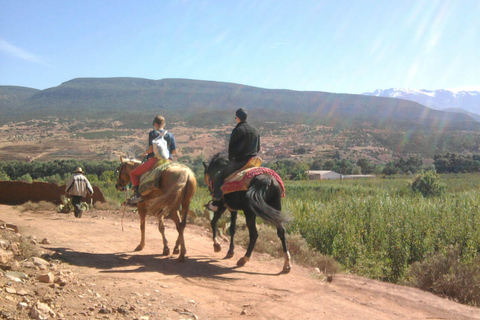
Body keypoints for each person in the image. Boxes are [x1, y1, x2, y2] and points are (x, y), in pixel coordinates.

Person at [205, 108, 260, 211]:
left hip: (240, 162)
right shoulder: (255, 130)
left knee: (218, 177)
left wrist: (231, 161)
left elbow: (232, 149)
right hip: (253, 162)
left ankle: (216, 203)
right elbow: (258, 148)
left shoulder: (237, 130)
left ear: (237, 118)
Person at [129, 115, 177, 203]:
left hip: (155, 161)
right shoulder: (170, 135)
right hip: (168, 161)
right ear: (164, 123)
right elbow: (174, 152)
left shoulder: (152, 133)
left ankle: (137, 195)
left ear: (155, 124)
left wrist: (144, 153)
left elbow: (151, 149)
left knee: (133, 174)